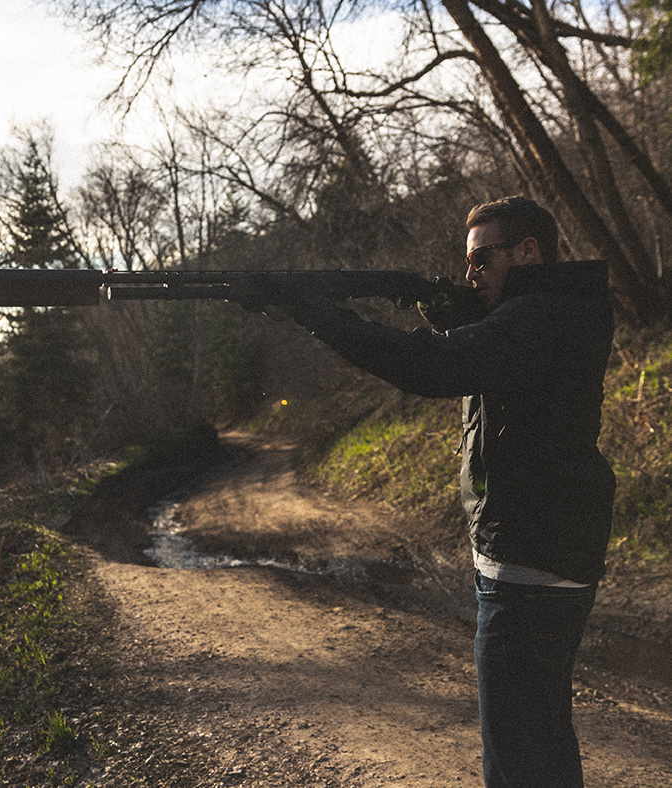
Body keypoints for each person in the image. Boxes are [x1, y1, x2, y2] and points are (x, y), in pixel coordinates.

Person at [253, 195, 616, 788]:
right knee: (540, 741)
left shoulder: (542, 317)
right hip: (540, 551)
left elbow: (428, 365)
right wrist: (450, 314)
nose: (470, 274)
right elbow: (487, 353)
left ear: (528, 251)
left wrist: (314, 311)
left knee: (518, 757)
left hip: (530, 563)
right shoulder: (555, 309)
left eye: (482, 260)